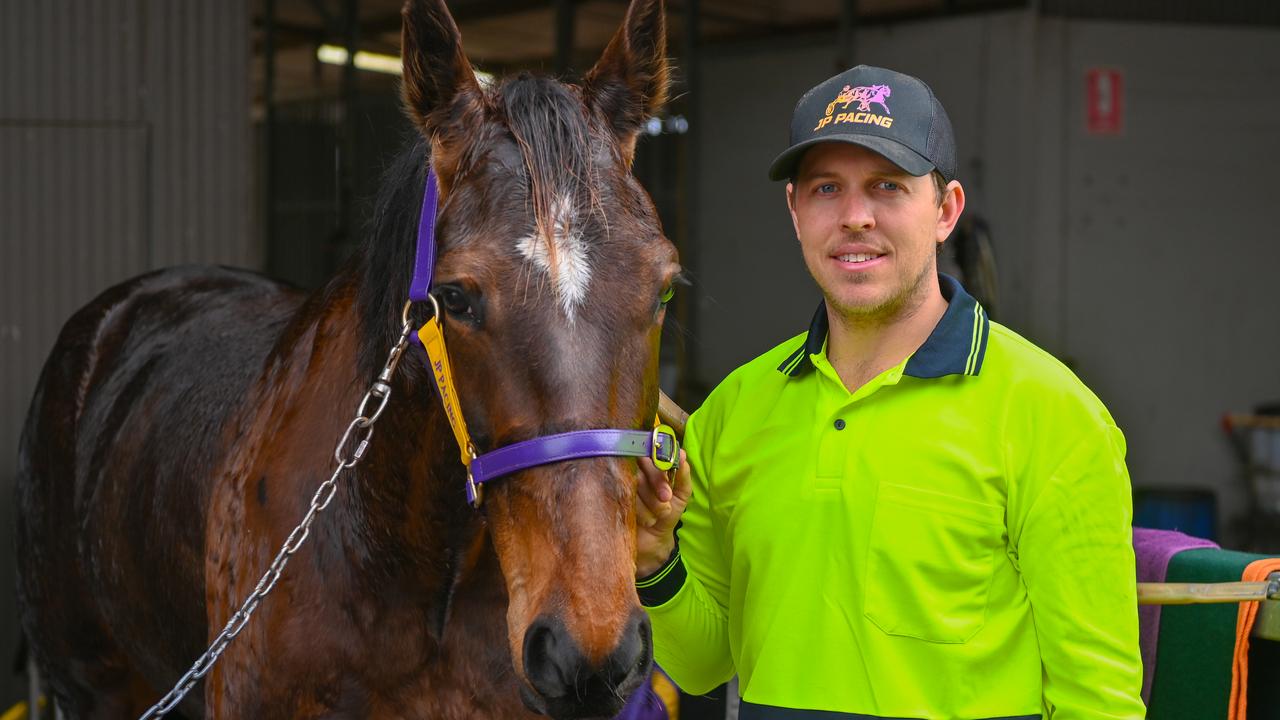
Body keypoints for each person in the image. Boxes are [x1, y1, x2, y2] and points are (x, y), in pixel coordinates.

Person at [635, 65, 1146, 720]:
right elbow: (705, 664)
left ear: (946, 210)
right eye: (826, 188)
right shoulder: (733, 412)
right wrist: (653, 561)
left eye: (887, 187)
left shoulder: (1051, 412)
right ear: (795, 211)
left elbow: (1097, 698)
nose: (854, 217)